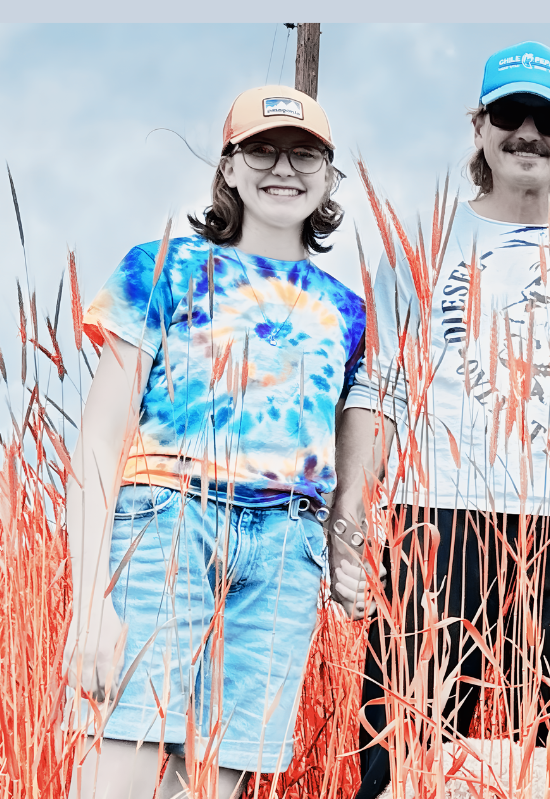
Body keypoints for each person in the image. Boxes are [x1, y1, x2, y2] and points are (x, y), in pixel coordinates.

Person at [334, 40, 550, 799]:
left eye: (548, 121)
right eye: (509, 116)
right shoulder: (422, 243)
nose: (527, 134)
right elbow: (380, 387)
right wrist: (352, 507)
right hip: (436, 523)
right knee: (402, 754)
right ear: (479, 127)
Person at [61, 85, 368, 798]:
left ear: (328, 176)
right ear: (228, 166)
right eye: (261, 150)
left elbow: (343, 443)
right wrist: (89, 602)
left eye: (304, 156)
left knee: (212, 783)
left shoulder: (347, 313)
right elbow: (100, 438)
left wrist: (342, 544)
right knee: (123, 761)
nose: (282, 168)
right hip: (169, 522)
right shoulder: (162, 267)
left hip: (286, 549)